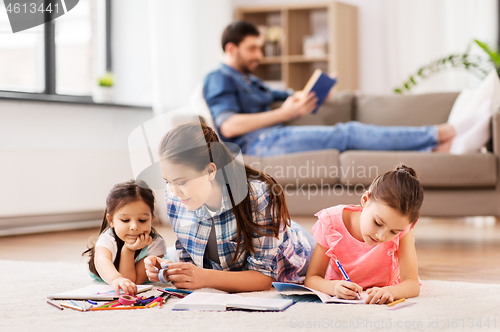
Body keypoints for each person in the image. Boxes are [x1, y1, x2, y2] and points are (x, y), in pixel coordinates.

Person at [203, 20, 490, 156]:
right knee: (348, 132)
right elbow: (229, 126)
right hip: (257, 144)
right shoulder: (219, 78)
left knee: (349, 132)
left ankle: (436, 149)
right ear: (231, 48)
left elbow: (287, 96)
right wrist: (285, 113)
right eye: (253, 48)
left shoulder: (250, 80)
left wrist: (310, 94)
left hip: (273, 135)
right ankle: (442, 132)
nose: (259, 56)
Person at [144, 122, 315, 292]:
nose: (174, 192)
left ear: (210, 171)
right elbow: (192, 262)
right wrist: (170, 269)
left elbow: (262, 278)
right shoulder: (174, 196)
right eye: (168, 181)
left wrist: (204, 277)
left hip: (299, 252)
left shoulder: (256, 194)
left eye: (181, 182)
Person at [304, 165, 422, 305]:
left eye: (394, 232)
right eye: (378, 223)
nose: (381, 236)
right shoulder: (331, 222)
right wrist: (333, 288)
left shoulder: (403, 227)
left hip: (386, 288)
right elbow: (312, 278)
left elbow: (412, 283)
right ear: (365, 200)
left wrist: (391, 291)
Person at [82, 180, 166, 295]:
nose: (134, 227)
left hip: (149, 265)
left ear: (151, 220)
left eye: (142, 220)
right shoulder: (107, 239)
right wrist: (116, 279)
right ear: (111, 220)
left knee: (172, 259)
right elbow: (102, 260)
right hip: (109, 273)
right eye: (125, 220)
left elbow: (131, 281)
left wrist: (129, 250)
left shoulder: (155, 244)